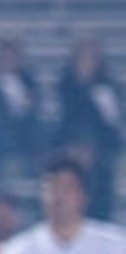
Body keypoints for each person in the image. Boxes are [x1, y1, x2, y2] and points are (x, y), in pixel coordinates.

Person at [52, 35, 122, 220]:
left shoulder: (106, 86)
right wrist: (75, 146)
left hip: (101, 147)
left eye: (91, 57)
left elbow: (111, 121)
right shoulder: (66, 84)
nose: (87, 63)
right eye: (83, 57)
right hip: (72, 144)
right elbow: (68, 119)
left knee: (101, 176)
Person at [0, 37, 50, 185]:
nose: (9, 61)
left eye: (13, 56)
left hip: (24, 146)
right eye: (5, 57)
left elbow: (31, 118)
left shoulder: (30, 84)